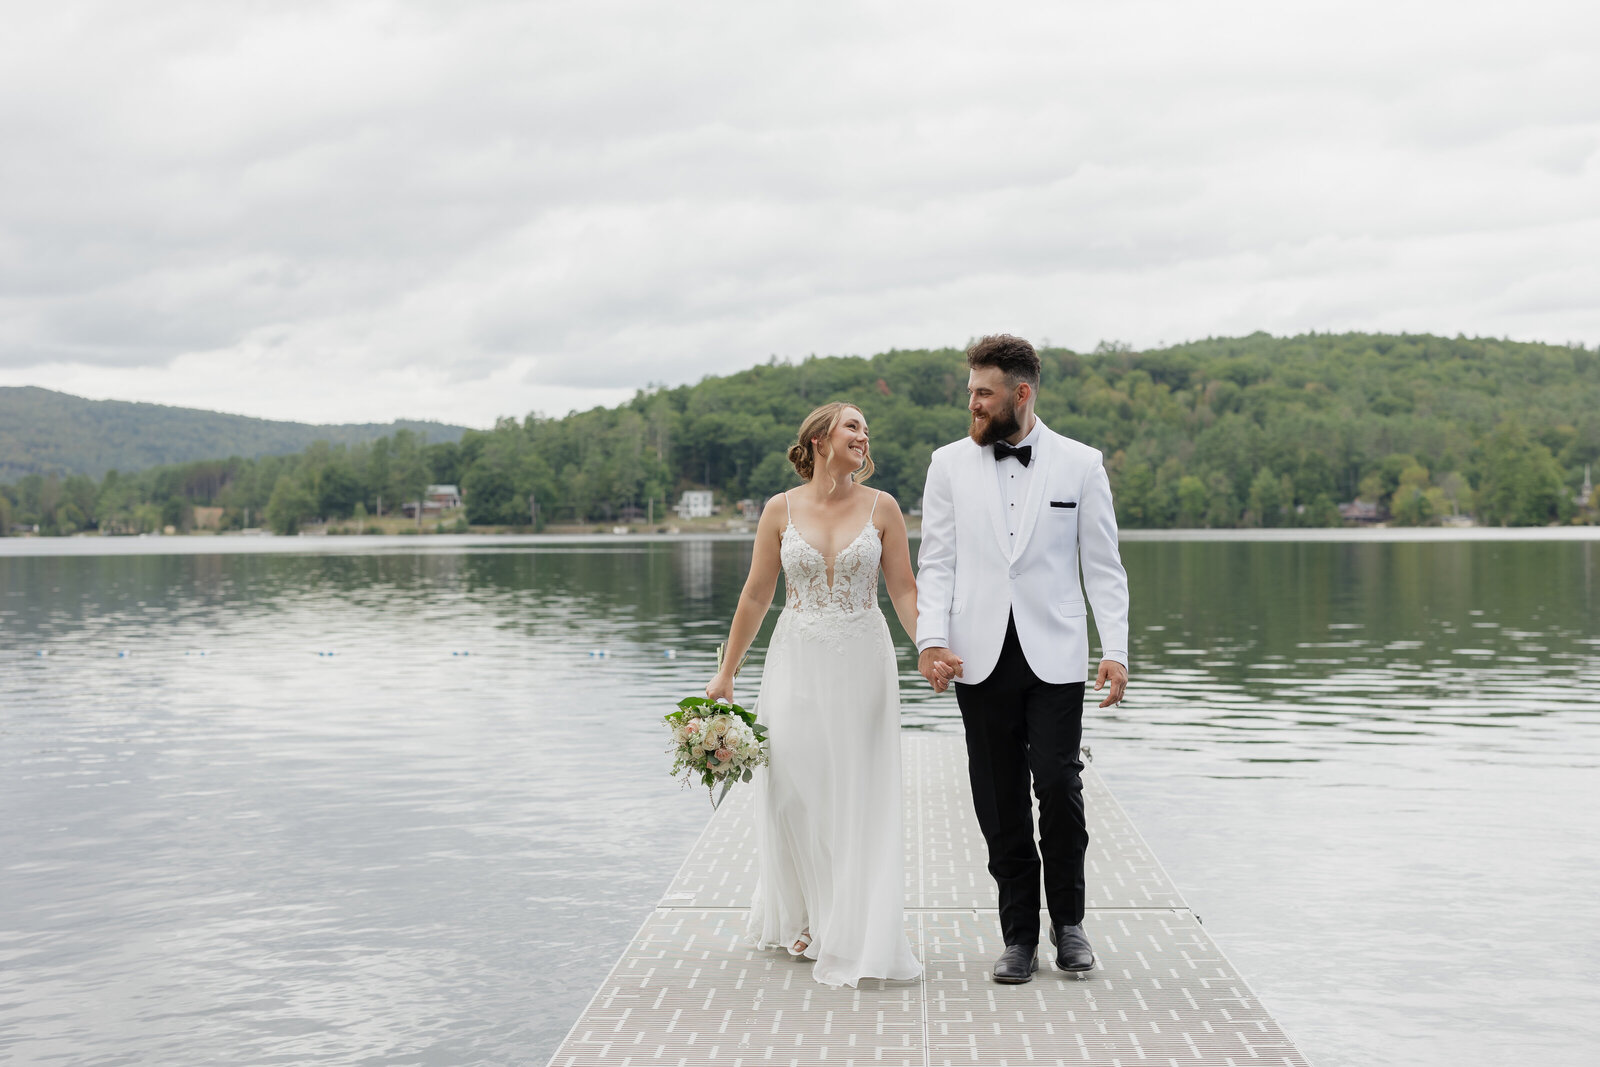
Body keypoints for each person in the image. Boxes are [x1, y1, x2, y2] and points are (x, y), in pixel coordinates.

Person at [915, 334, 1130, 984]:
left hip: (1056, 653)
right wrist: (930, 639)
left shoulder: (1081, 464)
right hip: (976, 655)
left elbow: (1103, 565)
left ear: (1022, 393)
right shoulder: (947, 464)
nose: (974, 403)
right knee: (999, 798)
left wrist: (1115, 648)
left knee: (1059, 785)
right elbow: (937, 561)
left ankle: (1070, 925)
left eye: (984, 393)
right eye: (971, 392)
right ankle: (1018, 935)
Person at [705, 401, 923, 988]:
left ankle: (845, 922)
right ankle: (801, 913)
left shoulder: (884, 508)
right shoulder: (779, 509)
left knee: (854, 787)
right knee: (792, 788)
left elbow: (903, 589)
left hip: (863, 657)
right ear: (822, 436)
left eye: (865, 429)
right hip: (796, 657)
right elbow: (755, 595)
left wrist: (929, 646)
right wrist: (727, 672)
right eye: (853, 425)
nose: (863, 434)